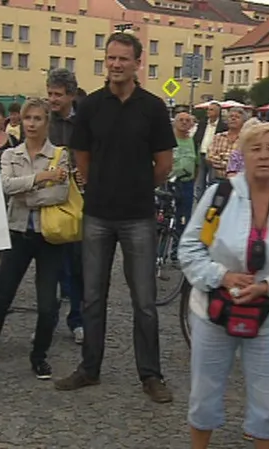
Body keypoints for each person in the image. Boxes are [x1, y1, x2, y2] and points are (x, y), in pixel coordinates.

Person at [179, 121, 269, 449]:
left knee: (267, 401)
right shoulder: (221, 195)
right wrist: (222, 277)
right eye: (256, 149)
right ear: (243, 154)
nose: (264, 156)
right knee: (204, 392)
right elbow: (191, 247)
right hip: (213, 309)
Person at [54, 31, 175, 403]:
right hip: (98, 215)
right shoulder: (91, 106)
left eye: (123, 59)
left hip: (138, 215)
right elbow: (82, 157)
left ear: (138, 63)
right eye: (111, 58)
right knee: (92, 296)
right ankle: (89, 368)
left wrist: (136, 187)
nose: (116, 64)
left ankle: (150, 375)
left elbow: (164, 164)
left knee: (144, 300)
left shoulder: (153, 107)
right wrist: (99, 186)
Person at [0, 98, 69, 380]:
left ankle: (39, 356)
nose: (32, 124)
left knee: (48, 304)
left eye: (38, 119)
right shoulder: (11, 154)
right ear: (21, 121)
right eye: (28, 118)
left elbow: (60, 194)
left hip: (49, 236)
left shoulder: (60, 155)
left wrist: (27, 191)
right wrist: (42, 177)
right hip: (17, 233)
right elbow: (4, 186)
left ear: (47, 122)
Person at [46, 67, 84, 344]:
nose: (52, 99)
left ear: (71, 95)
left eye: (57, 95)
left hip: (80, 200)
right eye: (49, 93)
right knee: (53, 268)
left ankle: (78, 320)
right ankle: (49, 319)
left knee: (78, 264)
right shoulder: (45, 120)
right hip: (50, 199)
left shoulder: (86, 121)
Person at [193, 102, 227, 197]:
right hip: (202, 154)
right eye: (208, 109)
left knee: (213, 180)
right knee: (200, 181)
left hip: (215, 156)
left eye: (211, 109)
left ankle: (210, 200)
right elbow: (196, 137)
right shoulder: (203, 123)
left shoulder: (223, 126)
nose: (208, 111)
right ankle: (200, 201)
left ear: (218, 112)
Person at [171, 112, 197, 230]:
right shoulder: (167, 139)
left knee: (184, 216)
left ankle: (179, 243)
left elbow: (197, 164)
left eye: (187, 120)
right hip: (170, 183)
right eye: (181, 120)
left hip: (187, 184)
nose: (184, 122)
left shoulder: (194, 141)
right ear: (175, 123)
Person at [207, 108, 247, 181]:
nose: (233, 118)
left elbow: (244, 161)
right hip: (217, 179)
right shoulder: (218, 137)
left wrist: (222, 157)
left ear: (243, 122)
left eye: (237, 117)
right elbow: (210, 157)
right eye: (231, 116)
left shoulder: (246, 139)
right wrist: (232, 163)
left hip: (238, 181)